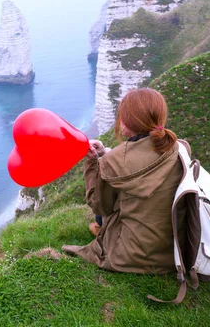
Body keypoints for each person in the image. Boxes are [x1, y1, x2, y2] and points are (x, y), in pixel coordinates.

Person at [62, 88, 190, 274]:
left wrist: (93, 163)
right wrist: (106, 155)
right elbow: (143, 161)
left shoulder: (113, 162)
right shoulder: (180, 147)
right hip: (176, 250)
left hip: (133, 256)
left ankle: (100, 230)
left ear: (128, 122)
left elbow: (99, 207)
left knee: (104, 203)